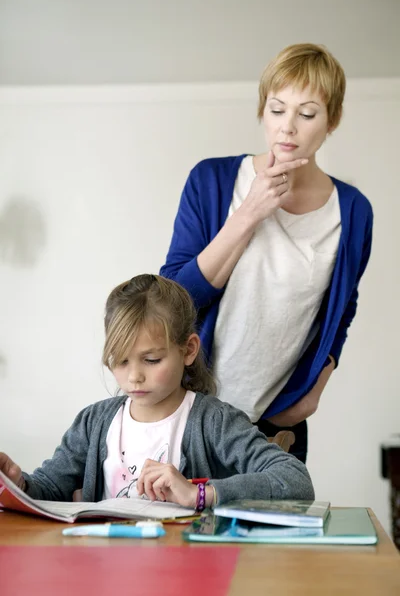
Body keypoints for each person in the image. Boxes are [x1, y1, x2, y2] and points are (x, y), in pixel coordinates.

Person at [160, 43, 373, 463]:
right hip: (191, 414)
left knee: (277, 529)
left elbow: (343, 308)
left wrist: (313, 392)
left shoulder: (352, 211)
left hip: (278, 429)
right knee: (184, 527)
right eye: (277, 110)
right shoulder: (212, 180)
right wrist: (250, 212)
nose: (287, 127)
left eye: (307, 113)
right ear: (262, 110)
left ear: (333, 118)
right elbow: (171, 303)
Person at [0, 274, 314, 507]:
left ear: (188, 350)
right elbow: (48, 488)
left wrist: (199, 493)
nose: (134, 376)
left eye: (151, 360)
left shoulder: (214, 422)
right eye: (120, 361)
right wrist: (17, 484)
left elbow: (295, 479)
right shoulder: (92, 423)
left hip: (186, 575)